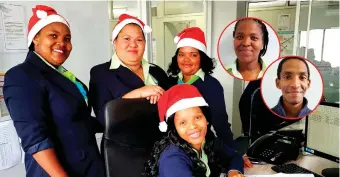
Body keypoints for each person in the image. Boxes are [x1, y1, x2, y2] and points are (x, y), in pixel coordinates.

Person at [3, 5, 104, 177]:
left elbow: (77, 120)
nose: (62, 43)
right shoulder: (22, 76)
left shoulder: (62, 75)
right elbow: (35, 139)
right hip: (58, 171)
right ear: (35, 38)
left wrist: (118, 121)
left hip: (87, 165)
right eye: (53, 36)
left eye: (67, 38)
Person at [167, 27, 252, 167]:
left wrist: (235, 153)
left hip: (200, 149)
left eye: (193, 55)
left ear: (201, 57)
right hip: (173, 149)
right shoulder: (170, 83)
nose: (186, 59)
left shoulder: (211, 85)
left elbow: (221, 124)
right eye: (181, 54)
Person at [89, 14, 170, 129]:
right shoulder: (101, 73)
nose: (133, 44)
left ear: (145, 44)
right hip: (122, 144)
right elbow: (103, 119)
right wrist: (138, 94)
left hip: (161, 143)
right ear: (115, 42)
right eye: (127, 39)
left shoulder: (157, 71)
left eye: (139, 40)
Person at [144, 84, 244, 177]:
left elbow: (235, 157)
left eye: (197, 118)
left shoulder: (208, 140)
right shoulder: (173, 159)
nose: (192, 126)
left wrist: (233, 172)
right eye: (183, 123)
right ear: (174, 128)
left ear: (206, 119)